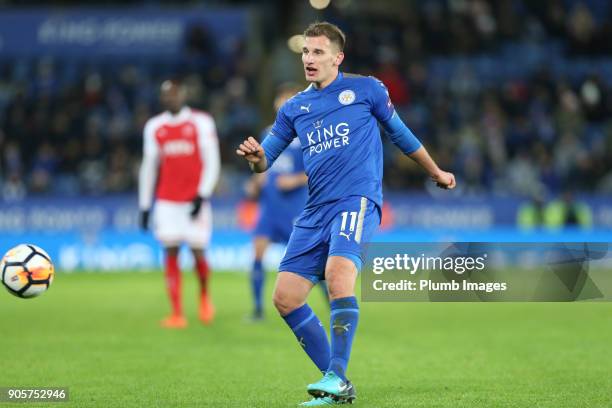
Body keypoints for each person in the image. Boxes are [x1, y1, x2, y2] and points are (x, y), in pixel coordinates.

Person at [236, 22, 455, 406]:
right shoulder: (293, 108)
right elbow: (265, 160)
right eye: (305, 51)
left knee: (339, 276)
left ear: (338, 58)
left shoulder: (367, 89)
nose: (309, 58)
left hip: (355, 200)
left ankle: (336, 376)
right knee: (285, 297)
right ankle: (337, 381)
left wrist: (435, 171)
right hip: (314, 209)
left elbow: (400, 134)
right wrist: (256, 160)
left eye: (318, 52)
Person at [139, 79, 221, 329]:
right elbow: (149, 166)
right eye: (166, 95)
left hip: (193, 199)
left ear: (182, 94)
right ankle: (177, 313)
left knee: (198, 253)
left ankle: (205, 298)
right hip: (166, 202)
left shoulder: (201, 122)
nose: (170, 99)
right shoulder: (155, 126)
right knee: (170, 252)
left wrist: (202, 194)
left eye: (174, 94)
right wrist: (144, 205)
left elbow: (212, 161)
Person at [245, 83, 309, 320]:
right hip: (270, 206)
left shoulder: (308, 134)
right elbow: (262, 164)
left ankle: (333, 302)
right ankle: (258, 309)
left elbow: (318, 169)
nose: (282, 102)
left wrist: (295, 179)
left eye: (288, 98)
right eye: (280, 97)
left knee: (309, 262)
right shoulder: (267, 133)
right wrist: (256, 180)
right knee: (258, 252)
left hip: (294, 207)